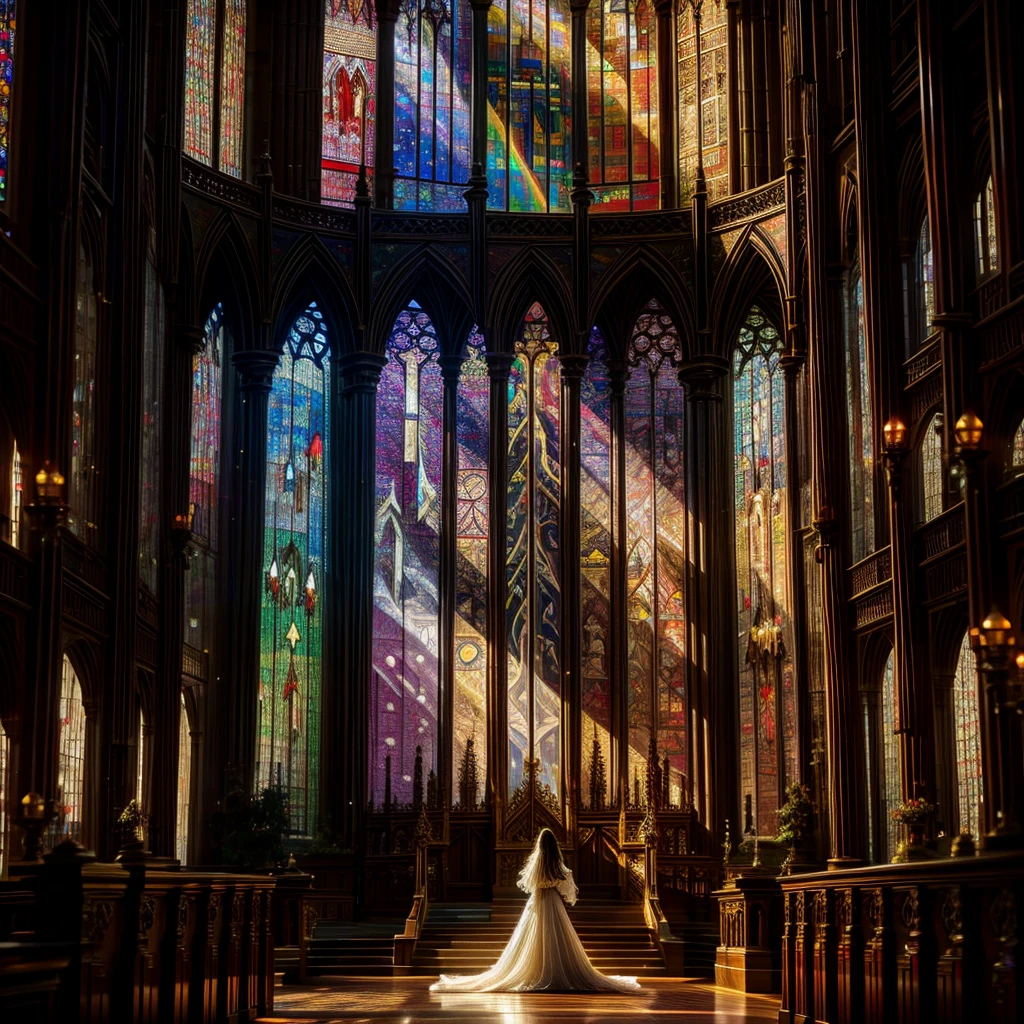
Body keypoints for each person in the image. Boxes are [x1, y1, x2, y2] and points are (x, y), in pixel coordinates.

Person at [430, 828, 641, 993]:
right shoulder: (558, 866)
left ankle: (536, 971)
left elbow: (528, 884)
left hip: (537, 902)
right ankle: (556, 971)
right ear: (554, 846)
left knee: (534, 938)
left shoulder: (537, 864)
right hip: (553, 903)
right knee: (555, 938)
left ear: (539, 846)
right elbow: (568, 889)